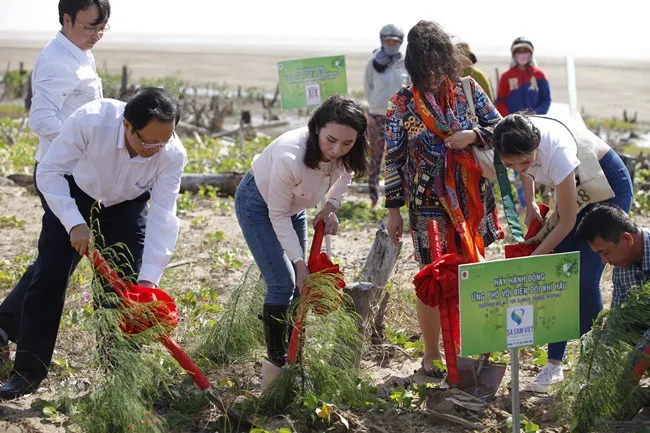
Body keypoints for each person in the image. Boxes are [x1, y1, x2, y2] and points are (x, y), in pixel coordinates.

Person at [0, 88, 187, 399]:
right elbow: (49, 172)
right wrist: (74, 222)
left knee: (122, 292)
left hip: (126, 204)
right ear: (128, 125)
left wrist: (147, 281)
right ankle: (27, 374)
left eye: (164, 141)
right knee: (49, 278)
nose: (157, 148)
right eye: (149, 141)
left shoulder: (172, 153)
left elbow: (164, 216)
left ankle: (119, 381)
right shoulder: (91, 121)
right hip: (77, 192)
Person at [384, 21, 503, 377]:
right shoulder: (401, 104)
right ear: (414, 68)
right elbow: (394, 158)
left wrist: (472, 135)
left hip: (472, 199)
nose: (434, 77)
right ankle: (432, 354)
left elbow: (501, 129)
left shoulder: (469, 92)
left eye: (439, 68)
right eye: (426, 70)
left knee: (472, 270)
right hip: (426, 203)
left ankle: (475, 347)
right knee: (432, 276)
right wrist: (393, 211)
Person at [0, 0, 110, 357]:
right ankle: (18, 342)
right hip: (61, 173)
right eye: (90, 27)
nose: (96, 35)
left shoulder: (78, 49)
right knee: (55, 266)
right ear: (66, 19)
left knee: (56, 260)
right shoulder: (56, 62)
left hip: (81, 172)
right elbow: (42, 120)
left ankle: (5, 322)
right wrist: (83, 144)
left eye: (101, 28)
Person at [235, 95, 368, 391]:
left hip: (294, 207)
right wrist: (298, 263)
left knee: (301, 285)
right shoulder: (290, 156)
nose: (337, 150)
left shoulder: (345, 150)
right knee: (284, 281)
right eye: (331, 140)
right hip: (259, 205)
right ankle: (277, 361)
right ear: (316, 128)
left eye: (347, 144)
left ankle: (294, 352)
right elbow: (277, 215)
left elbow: (345, 174)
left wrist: (331, 205)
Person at [492, 114, 634, 392]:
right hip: (574, 189)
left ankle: (593, 366)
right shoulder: (510, 133)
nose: (520, 167)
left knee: (584, 277)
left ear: (536, 147)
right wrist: (530, 199)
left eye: (526, 161)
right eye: (510, 164)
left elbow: (568, 220)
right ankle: (554, 366)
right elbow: (522, 165)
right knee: (562, 276)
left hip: (605, 185)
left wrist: (537, 256)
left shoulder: (557, 152)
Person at [363, 24, 410, 207]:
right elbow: (368, 89)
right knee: (374, 158)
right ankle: (373, 200)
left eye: (395, 41)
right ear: (382, 41)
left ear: (400, 43)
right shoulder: (372, 63)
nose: (391, 44)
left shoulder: (406, 63)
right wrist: (378, 105)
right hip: (377, 117)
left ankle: (400, 201)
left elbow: (410, 88)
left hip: (399, 117)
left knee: (398, 158)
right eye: (388, 41)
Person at [495, 37, 551, 116]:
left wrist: (536, 114)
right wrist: (509, 117)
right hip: (513, 123)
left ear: (531, 53)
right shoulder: (506, 76)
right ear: (514, 54)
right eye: (519, 52)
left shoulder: (539, 74)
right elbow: (500, 101)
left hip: (536, 119)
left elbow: (546, 99)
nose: (522, 55)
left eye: (525, 51)